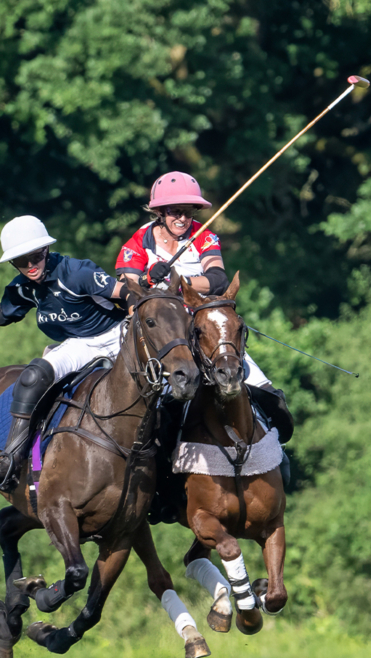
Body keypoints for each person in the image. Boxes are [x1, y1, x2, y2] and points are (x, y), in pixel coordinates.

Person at [116, 171, 293, 484]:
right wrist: (146, 281)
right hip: (165, 335)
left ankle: (276, 454)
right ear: (160, 212)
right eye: (175, 211)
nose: (183, 217)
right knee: (159, 404)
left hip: (205, 329)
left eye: (188, 210)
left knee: (266, 391)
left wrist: (176, 283)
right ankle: (158, 470)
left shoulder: (205, 235)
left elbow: (218, 279)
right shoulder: (138, 241)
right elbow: (126, 288)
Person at [0, 215, 133, 491]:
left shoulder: (77, 272)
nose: (30, 266)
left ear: (46, 250)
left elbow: (126, 293)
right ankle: (10, 460)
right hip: (79, 345)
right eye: (21, 261)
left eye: (35, 257)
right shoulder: (24, 287)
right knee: (32, 376)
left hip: (118, 335)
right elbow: (5, 312)